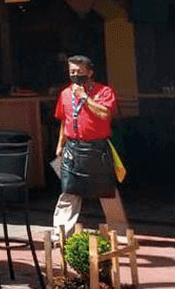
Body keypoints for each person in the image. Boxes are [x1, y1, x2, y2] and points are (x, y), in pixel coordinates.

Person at [53, 55, 128, 236]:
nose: (76, 75)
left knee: (107, 191)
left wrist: (85, 99)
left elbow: (104, 114)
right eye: (72, 72)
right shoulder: (65, 94)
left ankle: (119, 232)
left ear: (90, 72)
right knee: (68, 191)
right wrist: (60, 145)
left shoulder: (104, 91)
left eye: (80, 72)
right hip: (73, 147)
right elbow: (64, 120)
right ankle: (61, 232)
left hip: (97, 147)